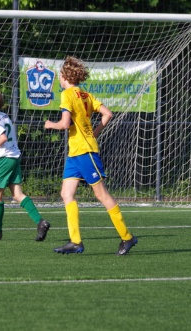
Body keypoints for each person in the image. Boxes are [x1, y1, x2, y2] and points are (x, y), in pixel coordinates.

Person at [44, 56, 137, 255]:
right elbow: (108, 114)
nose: (59, 79)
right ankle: (75, 241)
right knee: (66, 194)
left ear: (65, 76)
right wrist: (93, 133)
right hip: (75, 153)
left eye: (60, 75)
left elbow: (65, 123)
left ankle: (127, 237)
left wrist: (50, 124)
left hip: (85, 151)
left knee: (101, 194)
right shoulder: (85, 95)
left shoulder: (67, 94)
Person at [0, 88, 50, 241]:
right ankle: (40, 222)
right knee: (17, 195)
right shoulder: (3, 116)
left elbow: (2, 138)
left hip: (3, 159)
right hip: (14, 157)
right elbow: (6, 137)